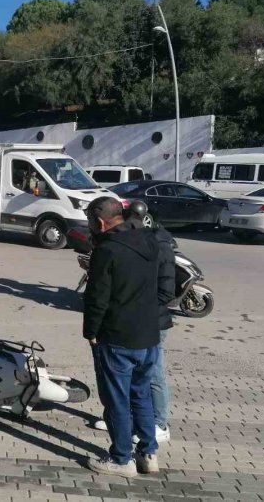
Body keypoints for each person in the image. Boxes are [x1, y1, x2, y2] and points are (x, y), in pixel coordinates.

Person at [83, 196, 161, 477]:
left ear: (100, 222)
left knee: (116, 400)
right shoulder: (150, 240)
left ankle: (121, 459)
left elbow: (97, 299)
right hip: (149, 335)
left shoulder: (108, 251)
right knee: (141, 395)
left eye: (90, 221)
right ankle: (148, 454)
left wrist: (91, 332)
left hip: (117, 337)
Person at [94, 201, 176, 444]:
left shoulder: (154, 243)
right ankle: (144, 442)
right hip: (143, 322)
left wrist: (137, 309)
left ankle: (157, 424)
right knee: (138, 388)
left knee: (150, 379)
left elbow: (165, 290)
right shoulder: (141, 242)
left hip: (148, 324)